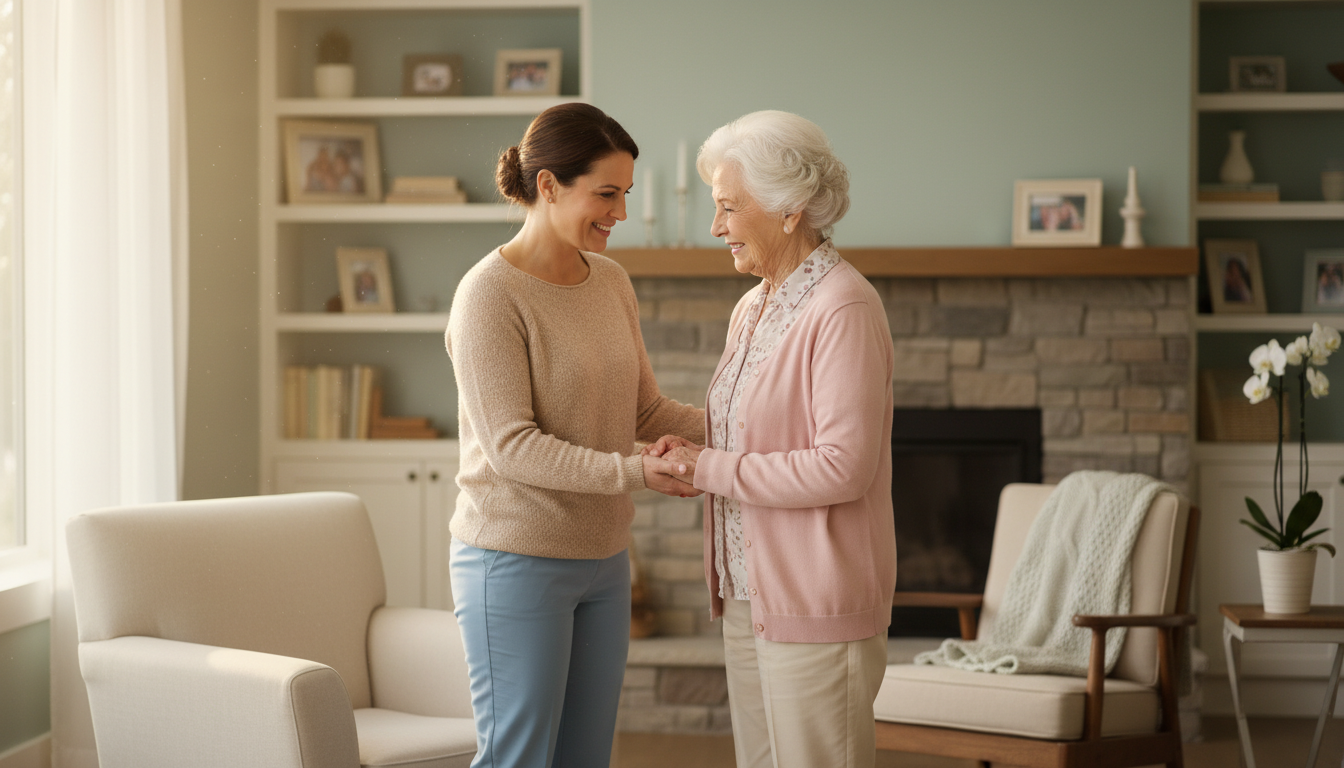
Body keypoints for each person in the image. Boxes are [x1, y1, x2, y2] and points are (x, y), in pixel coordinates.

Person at [445, 102, 705, 768]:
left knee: (585, 758)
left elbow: (643, 409)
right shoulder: (489, 294)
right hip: (514, 558)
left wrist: (752, 424)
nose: (620, 212)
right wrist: (635, 473)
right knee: (519, 758)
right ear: (550, 186)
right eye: (607, 194)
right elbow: (513, 446)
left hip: (603, 559)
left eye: (625, 195)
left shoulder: (611, 280)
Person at [646, 110, 896, 768]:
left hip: (815, 600)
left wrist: (710, 470)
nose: (716, 226)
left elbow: (843, 467)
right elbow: (745, 431)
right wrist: (676, 444)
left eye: (729, 206)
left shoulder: (843, 305)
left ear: (790, 210)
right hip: (746, 595)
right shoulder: (754, 304)